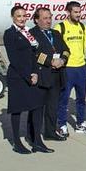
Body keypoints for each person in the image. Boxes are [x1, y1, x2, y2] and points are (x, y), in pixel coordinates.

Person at [3, 6, 52, 154]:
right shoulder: (9, 33)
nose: (22, 18)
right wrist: (28, 76)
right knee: (17, 109)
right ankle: (17, 143)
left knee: (37, 106)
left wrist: (36, 73)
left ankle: (37, 140)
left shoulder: (28, 33)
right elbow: (14, 58)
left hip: (32, 75)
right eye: (19, 16)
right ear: (13, 17)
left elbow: (34, 55)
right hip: (18, 77)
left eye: (24, 16)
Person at [54, 1, 86, 136]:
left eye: (79, 12)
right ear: (68, 12)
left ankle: (80, 123)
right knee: (63, 99)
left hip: (81, 68)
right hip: (67, 69)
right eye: (75, 12)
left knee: (81, 98)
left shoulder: (83, 27)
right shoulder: (60, 28)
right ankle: (62, 125)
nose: (78, 15)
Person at [30, 8, 69, 142]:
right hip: (42, 75)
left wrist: (62, 60)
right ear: (36, 19)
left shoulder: (55, 33)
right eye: (45, 18)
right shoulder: (32, 34)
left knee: (52, 107)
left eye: (50, 18)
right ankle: (34, 135)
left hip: (57, 75)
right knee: (38, 108)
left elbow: (66, 50)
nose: (48, 21)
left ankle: (50, 132)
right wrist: (50, 61)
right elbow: (33, 53)